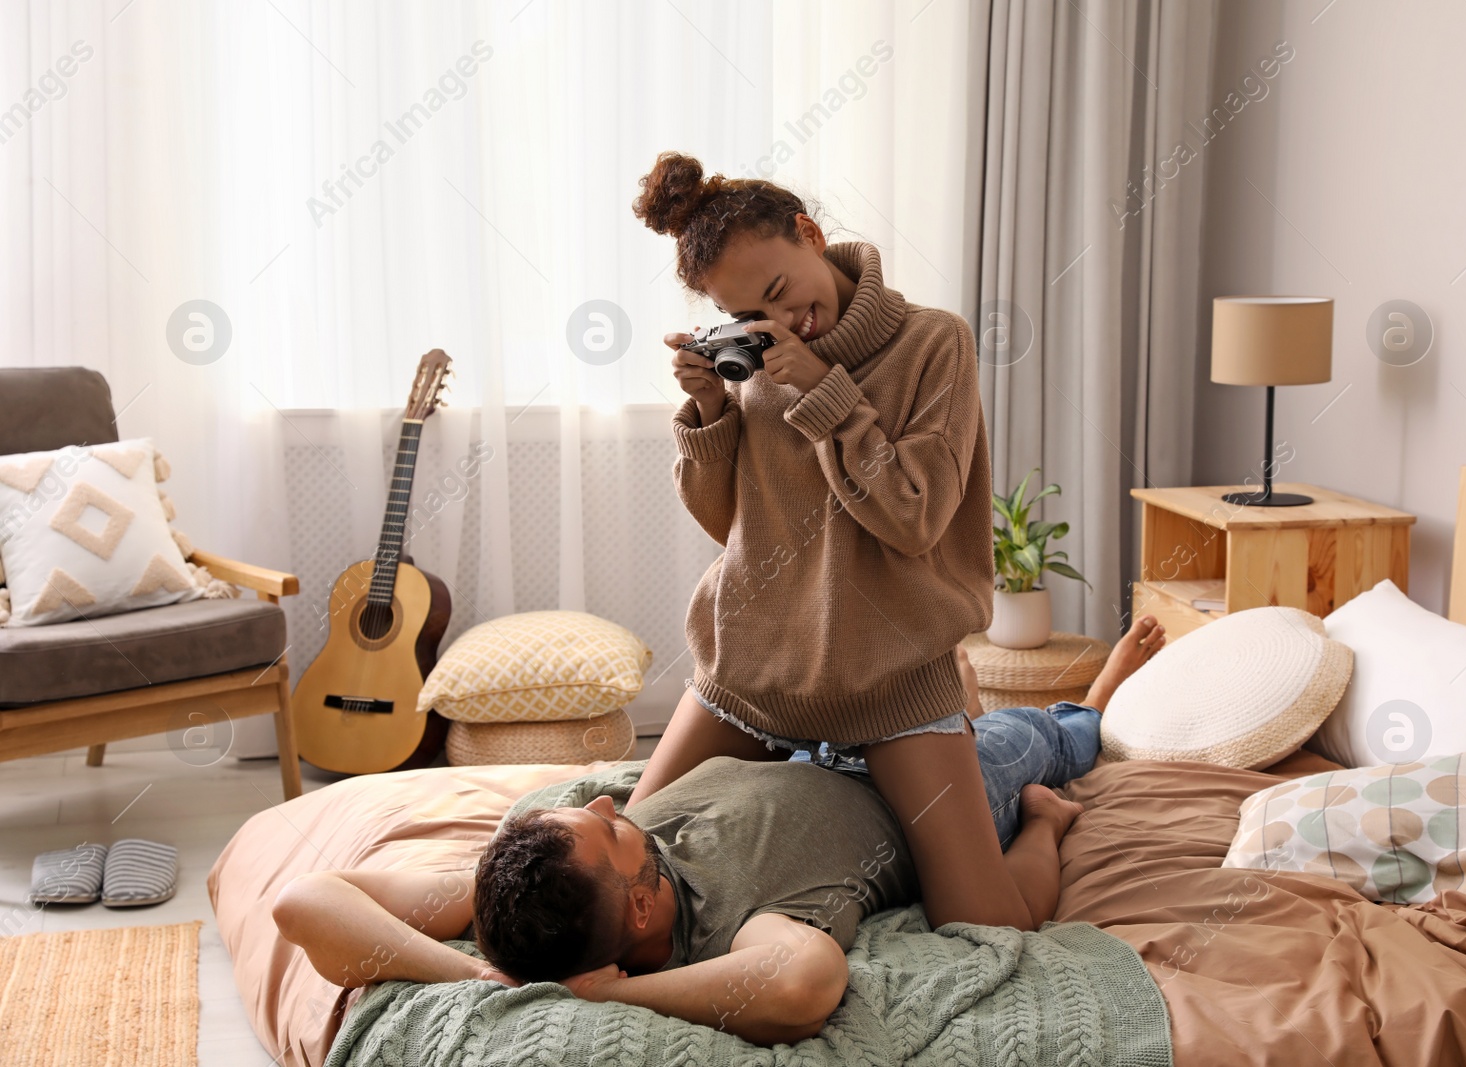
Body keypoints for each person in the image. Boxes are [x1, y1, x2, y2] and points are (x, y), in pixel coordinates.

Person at [271, 621, 1165, 1047]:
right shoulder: (732, 934)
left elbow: (304, 903)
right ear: (645, 908)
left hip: (799, 736)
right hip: (905, 794)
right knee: (1035, 751)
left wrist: (472, 969)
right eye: (609, 838)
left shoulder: (522, 896)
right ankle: (1085, 720)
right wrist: (608, 999)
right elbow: (809, 981)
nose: (605, 805)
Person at [631, 150, 1073, 933]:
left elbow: (916, 517)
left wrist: (826, 394)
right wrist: (709, 413)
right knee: (628, 850)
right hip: (754, 671)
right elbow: (730, 524)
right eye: (753, 315)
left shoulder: (935, 344)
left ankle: (1042, 816)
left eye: (780, 290)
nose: (784, 321)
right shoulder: (758, 359)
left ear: (808, 233)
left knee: (988, 923)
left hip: (891, 684)